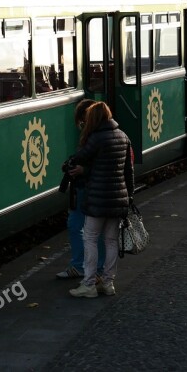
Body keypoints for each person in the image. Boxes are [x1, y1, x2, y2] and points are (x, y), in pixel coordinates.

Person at [67, 101, 133, 298]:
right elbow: (128, 171)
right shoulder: (123, 136)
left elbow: (79, 158)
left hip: (97, 197)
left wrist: (77, 167)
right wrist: (129, 197)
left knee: (90, 239)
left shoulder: (96, 138)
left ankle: (88, 284)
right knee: (111, 240)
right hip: (118, 198)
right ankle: (108, 283)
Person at [56, 99, 107, 279]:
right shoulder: (96, 135)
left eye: (83, 120)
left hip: (90, 187)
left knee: (87, 228)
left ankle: (90, 267)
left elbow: (106, 163)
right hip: (86, 187)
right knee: (82, 226)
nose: (82, 124)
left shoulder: (97, 136)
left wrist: (83, 169)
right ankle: (87, 266)